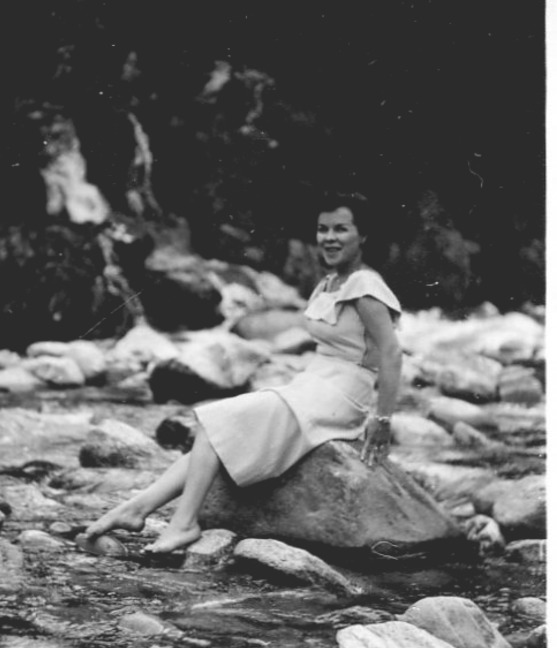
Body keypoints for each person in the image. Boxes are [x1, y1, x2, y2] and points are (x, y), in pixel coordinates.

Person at [85, 192, 402, 554]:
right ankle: (136, 507)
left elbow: (391, 353)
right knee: (222, 432)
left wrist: (383, 418)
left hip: (341, 396)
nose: (329, 237)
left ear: (363, 236)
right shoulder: (330, 282)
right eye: (322, 229)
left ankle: (183, 523)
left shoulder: (365, 287)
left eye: (341, 229)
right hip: (313, 385)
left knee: (216, 421)